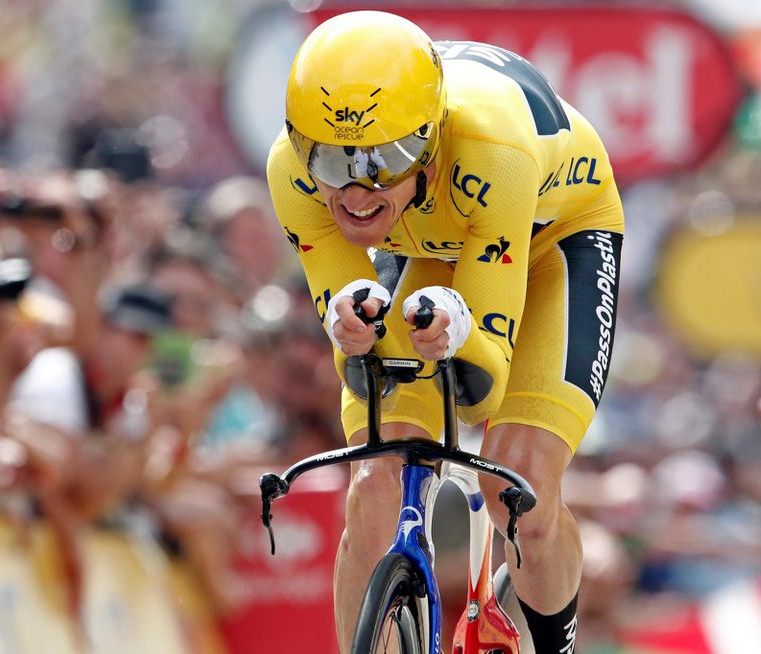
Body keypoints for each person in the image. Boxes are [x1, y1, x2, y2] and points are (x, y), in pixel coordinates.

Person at [266, 11, 624, 653]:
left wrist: (453, 335)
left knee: (520, 488)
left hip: (550, 238)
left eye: (386, 159)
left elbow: (481, 380)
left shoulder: (493, 145)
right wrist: (350, 322)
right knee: (376, 477)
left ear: (430, 140)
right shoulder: (292, 176)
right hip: (431, 236)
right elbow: (351, 334)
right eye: (327, 157)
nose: (354, 190)